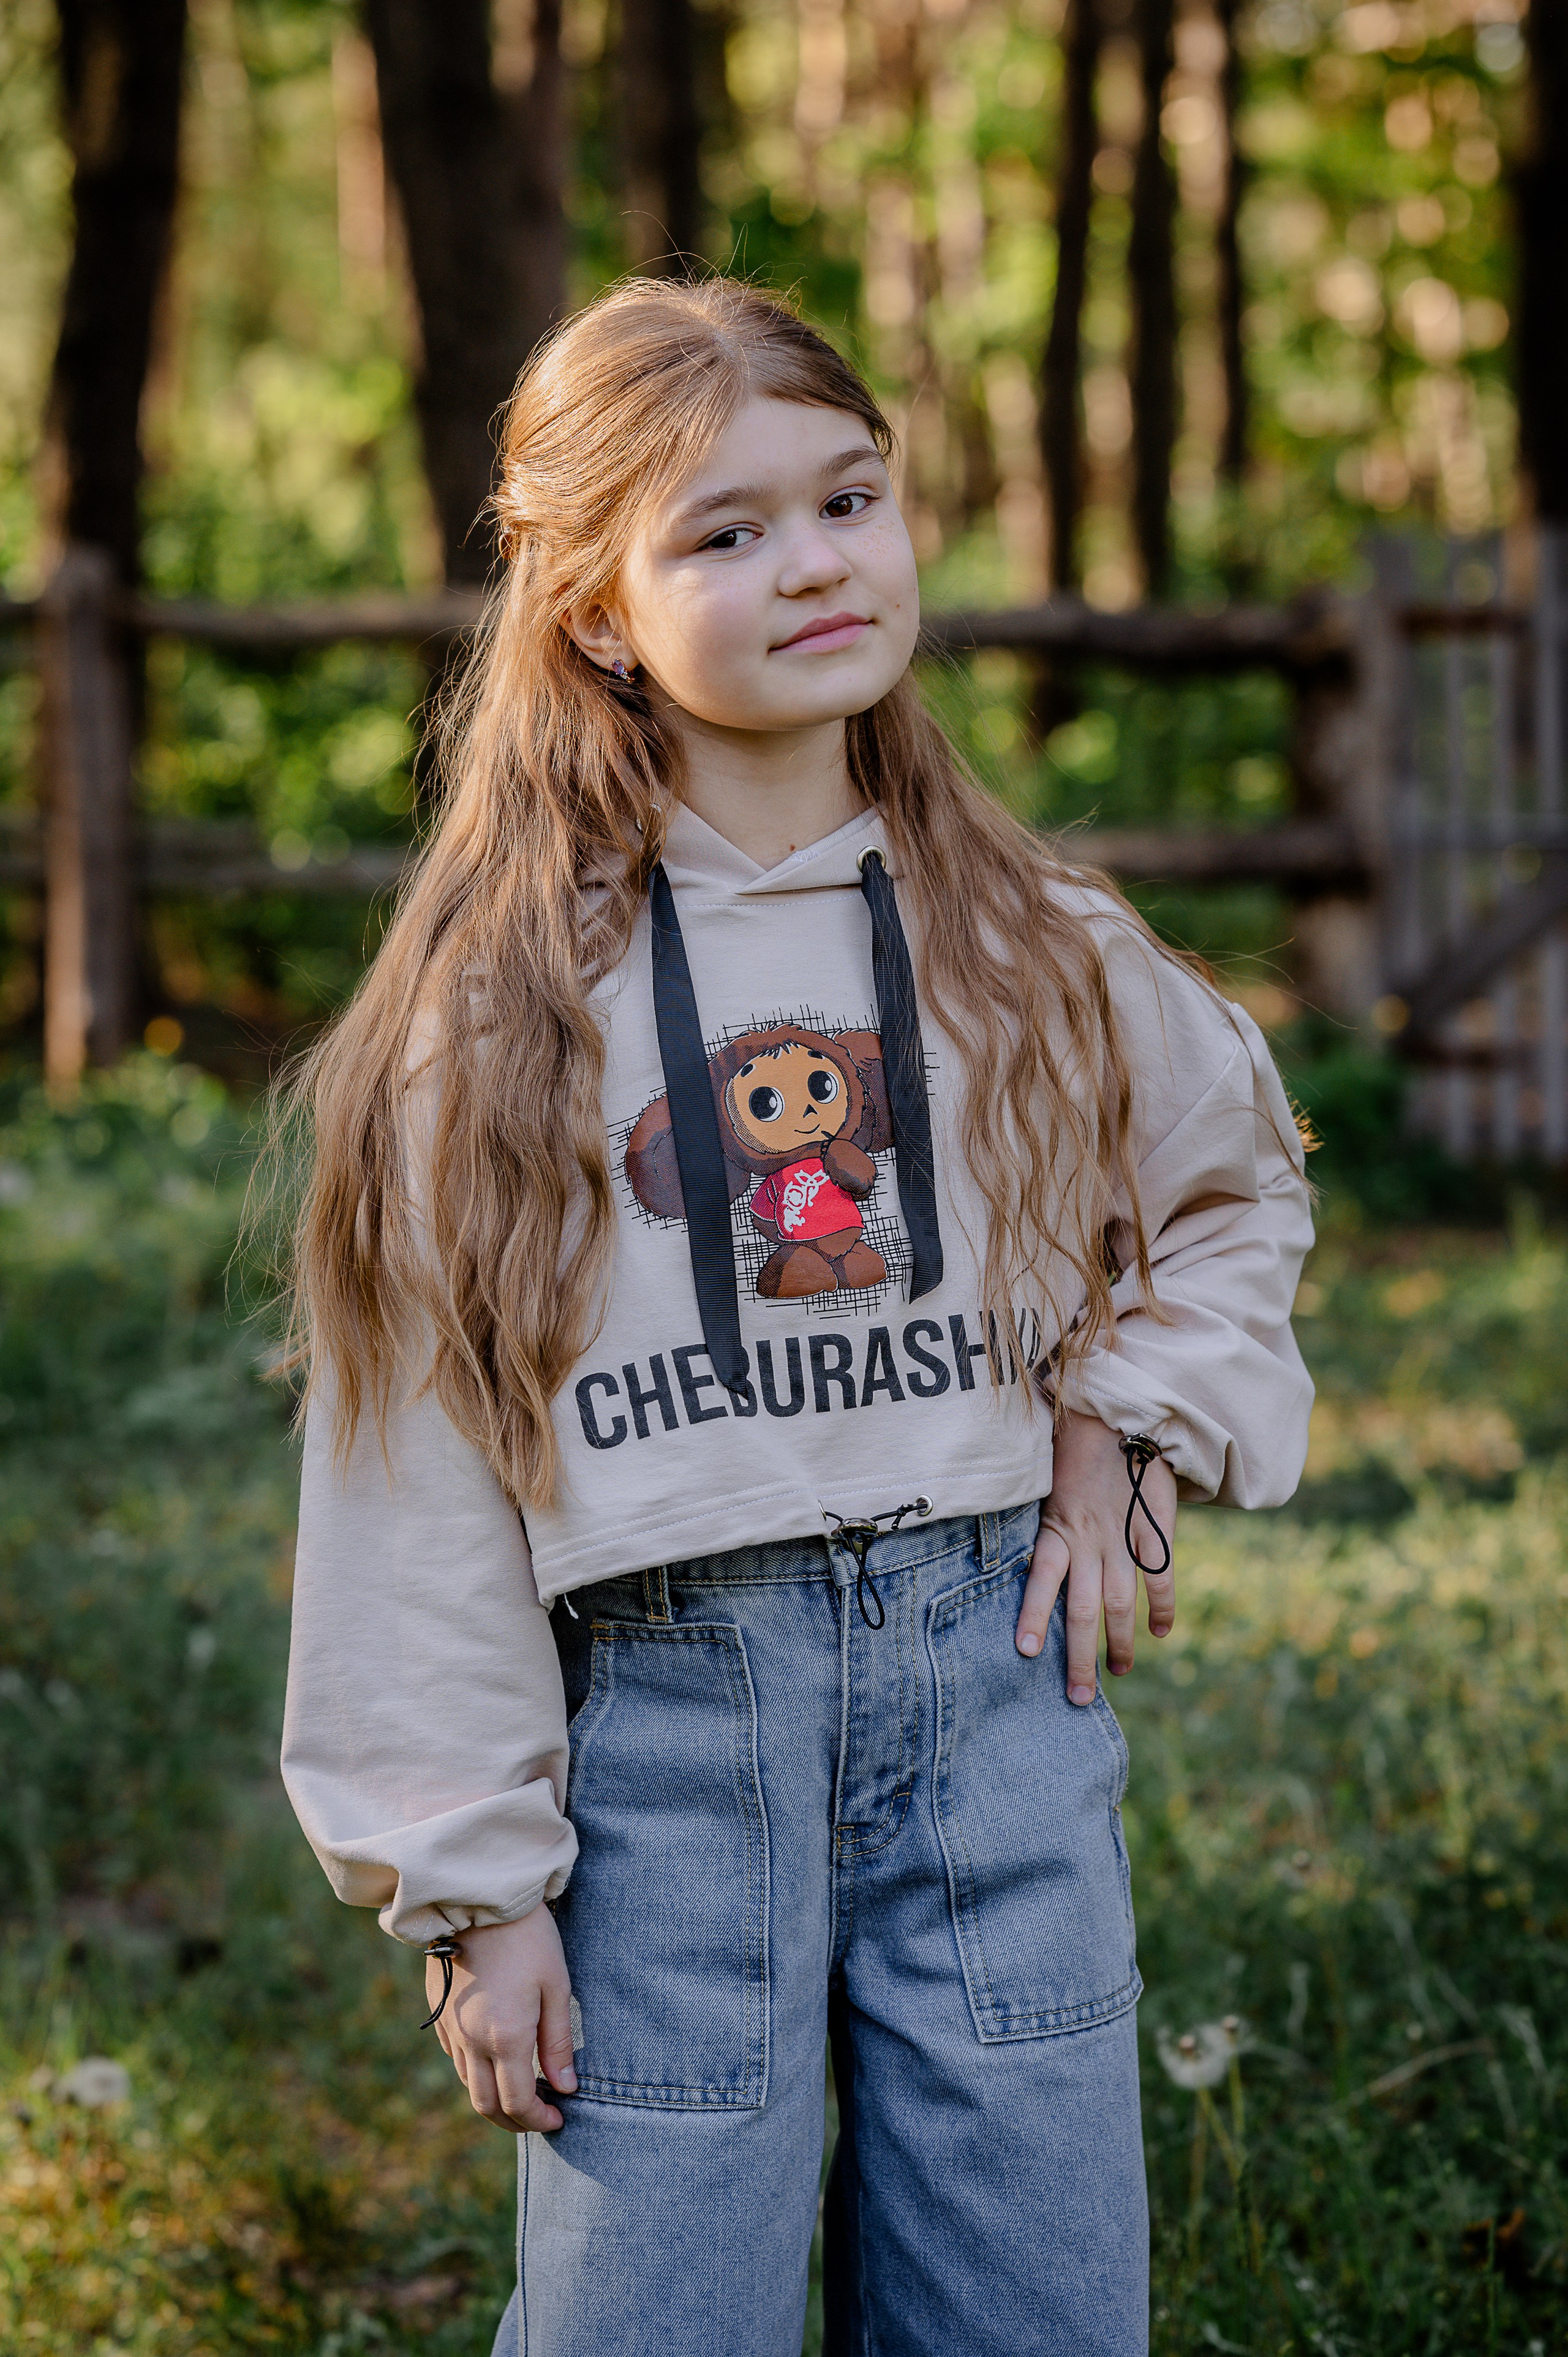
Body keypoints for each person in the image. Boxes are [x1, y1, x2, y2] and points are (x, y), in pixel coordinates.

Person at [276, 276, 1313, 2357]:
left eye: (848, 498)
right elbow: (411, 1464)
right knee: (653, 2317)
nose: (819, 562)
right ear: (596, 612)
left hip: (996, 1706)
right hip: (664, 1741)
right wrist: (475, 1890)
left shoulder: (1035, 942)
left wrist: (1118, 1423)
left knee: (1030, 2308)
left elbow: (1235, 1190)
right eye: (726, 531)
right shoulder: (500, 1014)